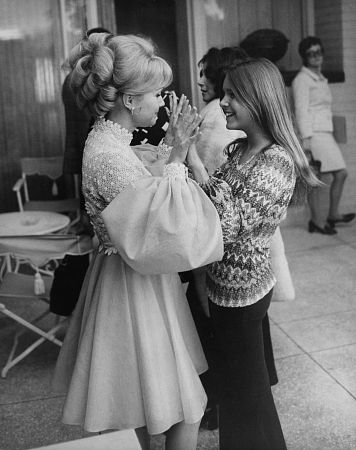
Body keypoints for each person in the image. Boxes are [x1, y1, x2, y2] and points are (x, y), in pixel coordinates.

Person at [52, 32, 224, 450]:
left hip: (132, 275)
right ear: (129, 101)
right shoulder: (108, 154)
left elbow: (144, 191)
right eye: (156, 93)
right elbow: (163, 222)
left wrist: (172, 148)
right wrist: (180, 153)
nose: (162, 103)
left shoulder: (111, 139)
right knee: (183, 404)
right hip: (134, 281)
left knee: (157, 400)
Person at [187, 57, 318, 449]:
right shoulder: (239, 150)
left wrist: (193, 162)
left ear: (258, 100)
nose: (223, 102)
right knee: (238, 393)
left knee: (249, 396)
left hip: (244, 294)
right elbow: (214, 209)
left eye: (232, 94)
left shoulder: (276, 161)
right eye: (223, 92)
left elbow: (227, 226)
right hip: (223, 288)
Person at [292, 36, 355, 234]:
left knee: (340, 174)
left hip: (325, 133)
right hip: (314, 134)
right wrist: (306, 141)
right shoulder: (302, 80)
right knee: (318, 179)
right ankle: (317, 222)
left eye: (319, 52)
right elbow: (301, 110)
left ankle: (333, 214)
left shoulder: (320, 78)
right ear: (304, 57)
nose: (316, 57)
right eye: (311, 54)